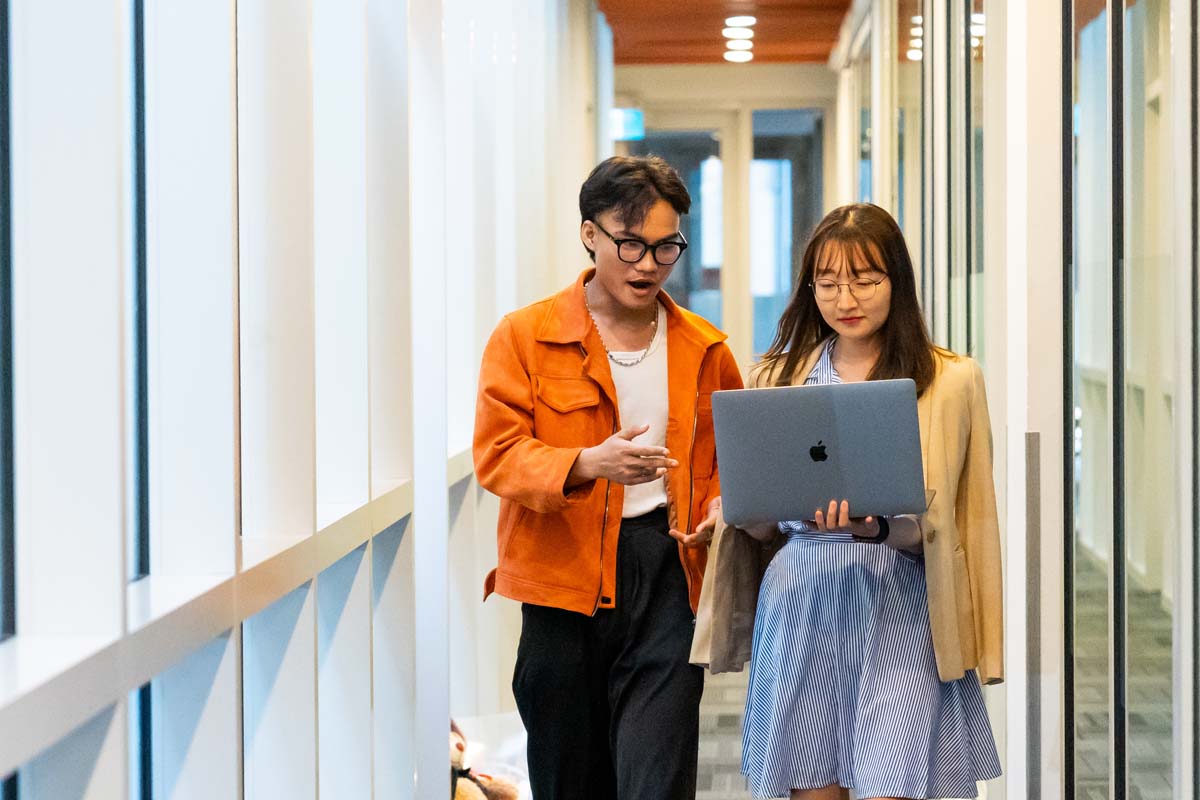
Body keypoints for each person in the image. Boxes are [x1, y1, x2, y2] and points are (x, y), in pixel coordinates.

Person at [472, 155, 743, 800]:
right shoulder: (525, 338)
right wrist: (586, 463)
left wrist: (718, 508)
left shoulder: (705, 348)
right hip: (560, 579)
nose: (648, 264)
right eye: (630, 244)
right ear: (590, 234)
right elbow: (497, 453)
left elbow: (725, 464)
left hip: (666, 569)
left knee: (659, 775)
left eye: (666, 247)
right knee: (569, 778)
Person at [733, 203, 1003, 800]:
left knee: (894, 782)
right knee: (809, 785)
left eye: (864, 279)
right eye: (827, 283)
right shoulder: (774, 378)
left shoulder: (951, 379)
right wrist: (741, 508)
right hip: (801, 601)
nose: (844, 298)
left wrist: (874, 526)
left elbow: (964, 520)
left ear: (896, 282)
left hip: (901, 601)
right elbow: (758, 528)